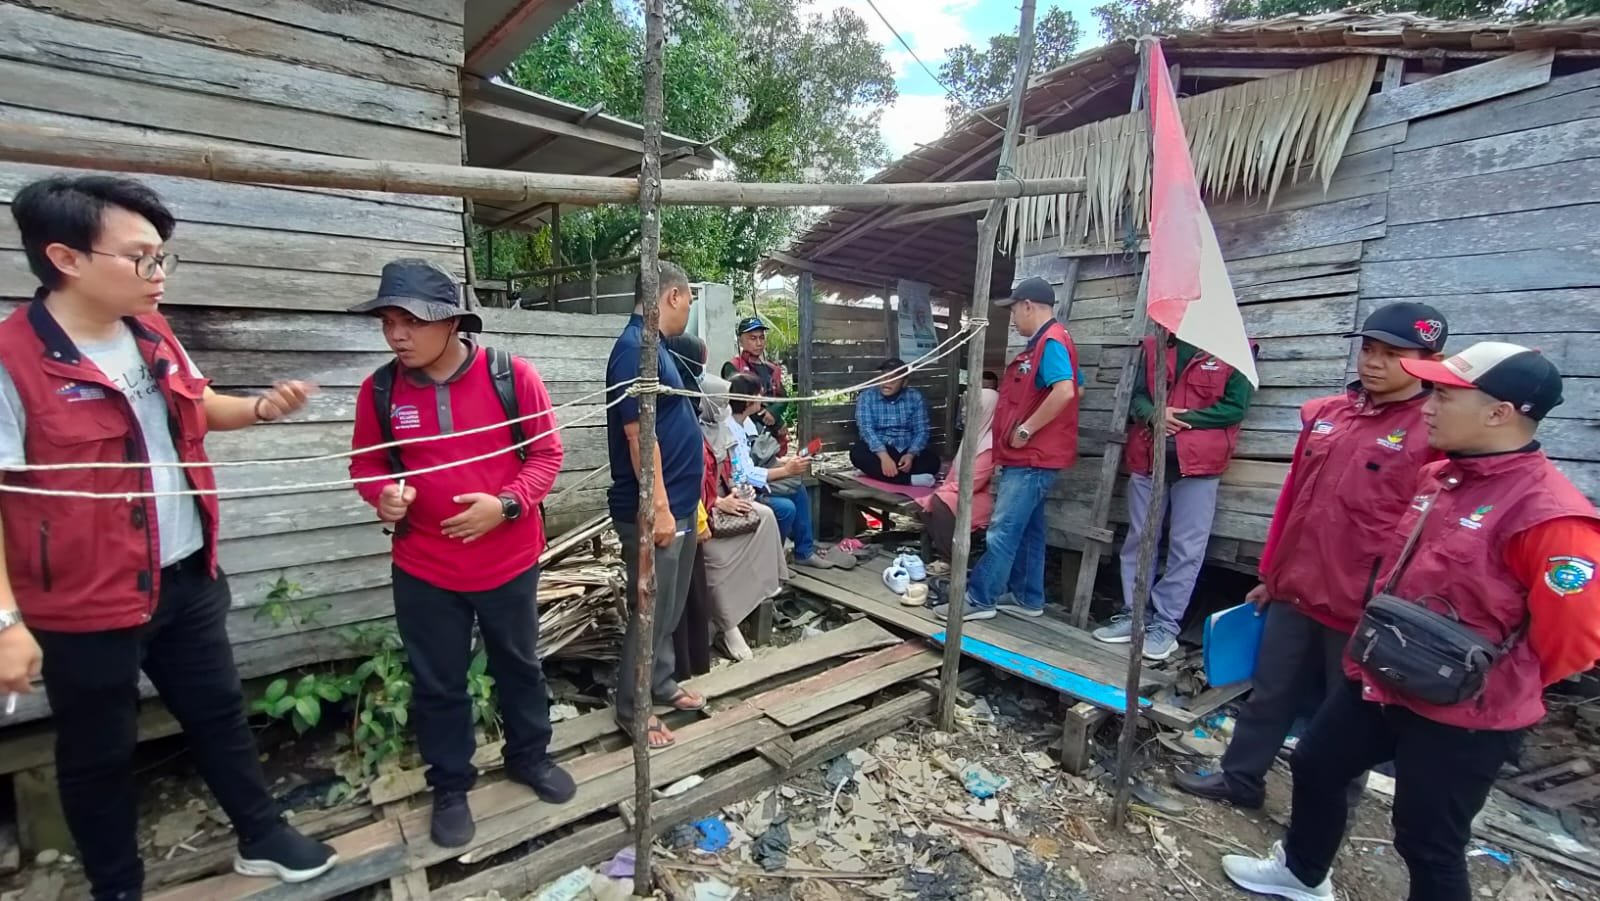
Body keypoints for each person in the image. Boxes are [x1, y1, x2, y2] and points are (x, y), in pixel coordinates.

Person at [0, 175, 336, 898]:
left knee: (219, 712)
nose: (158, 275)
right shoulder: (12, 360)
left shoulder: (152, 332)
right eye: (142, 258)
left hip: (183, 574)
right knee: (97, 751)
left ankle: (261, 833)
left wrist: (259, 409)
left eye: (162, 259)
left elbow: (197, 405)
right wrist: (7, 622)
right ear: (66, 258)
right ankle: (116, 884)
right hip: (84, 603)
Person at [1223, 342, 1600, 901]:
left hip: (1468, 710)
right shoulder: (1441, 478)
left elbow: (1573, 641)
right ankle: (1302, 873)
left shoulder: (1550, 517)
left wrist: (1492, 683)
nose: (1428, 405)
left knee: (1427, 841)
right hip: (1382, 674)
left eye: (1445, 395)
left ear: (1500, 412)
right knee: (1317, 762)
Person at [1173, 303, 1449, 810]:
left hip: (1362, 608)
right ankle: (1241, 778)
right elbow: (1293, 501)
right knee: (1267, 693)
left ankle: (1321, 820)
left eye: (1393, 354)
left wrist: (1398, 609)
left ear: (1432, 361)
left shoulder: (1434, 434)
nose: (1374, 362)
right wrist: (1269, 573)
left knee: (1344, 719)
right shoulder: (1329, 416)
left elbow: (1432, 537)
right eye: (1369, 349)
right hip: (1295, 590)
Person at [347, 259, 573, 848]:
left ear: (450, 321)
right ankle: (450, 785)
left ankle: (530, 758)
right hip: (424, 568)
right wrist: (383, 497)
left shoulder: (510, 376)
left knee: (519, 666)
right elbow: (367, 464)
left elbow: (546, 455)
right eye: (388, 321)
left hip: (507, 563)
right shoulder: (379, 391)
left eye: (411, 321)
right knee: (437, 682)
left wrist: (507, 505)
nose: (397, 335)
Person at [1093, 335, 1255, 660]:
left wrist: (1179, 420)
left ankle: (1165, 626)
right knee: (1140, 538)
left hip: (1199, 465)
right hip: (1148, 457)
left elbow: (1235, 408)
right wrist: (1155, 414)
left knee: (1186, 547)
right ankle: (1134, 615)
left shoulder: (1234, 346)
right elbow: (1138, 396)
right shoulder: (1154, 345)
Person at [932, 277, 1081, 622]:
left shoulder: (1052, 342)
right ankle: (1029, 598)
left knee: (1002, 528)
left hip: (1033, 457)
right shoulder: (1045, 343)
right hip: (1032, 456)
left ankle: (979, 599)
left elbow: (1066, 392)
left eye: (1014, 310)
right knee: (1029, 529)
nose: (1012, 318)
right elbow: (1076, 390)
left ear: (1028, 305)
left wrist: (1028, 428)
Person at [606, 262, 705, 750]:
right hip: (654, 510)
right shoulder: (633, 352)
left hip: (682, 504)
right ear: (671, 297)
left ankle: (660, 682)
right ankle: (632, 708)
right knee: (649, 608)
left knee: (669, 605)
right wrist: (660, 510)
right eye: (688, 300)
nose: (688, 308)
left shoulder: (658, 349)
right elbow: (637, 438)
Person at [667, 334, 786, 662]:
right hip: (695, 515)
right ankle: (728, 625)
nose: (722, 408)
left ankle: (766, 585)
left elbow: (725, 475)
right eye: (718, 402)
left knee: (765, 515)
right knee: (715, 561)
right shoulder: (685, 427)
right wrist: (719, 502)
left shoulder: (717, 427)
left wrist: (731, 492)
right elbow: (687, 484)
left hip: (714, 504)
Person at [726, 372, 843, 571]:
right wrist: (786, 470)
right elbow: (745, 474)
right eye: (758, 395)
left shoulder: (746, 422)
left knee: (798, 489)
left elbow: (756, 458)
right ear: (747, 401)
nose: (762, 399)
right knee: (785, 508)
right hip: (741, 489)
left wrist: (782, 462)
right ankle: (771, 563)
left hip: (756, 481)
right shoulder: (729, 428)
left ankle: (804, 552)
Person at [919, 387, 999, 559]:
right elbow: (954, 475)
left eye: (970, 406)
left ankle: (951, 558)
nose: (963, 410)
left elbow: (972, 484)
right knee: (927, 503)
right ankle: (946, 549)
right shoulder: (973, 437)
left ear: (986, 410)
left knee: (940, 502)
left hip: (985, 498)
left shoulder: (989, 444)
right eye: (964, 405)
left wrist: (940, 494)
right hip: (964, 492)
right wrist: (939, 491)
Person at [849, 357, 940, 487]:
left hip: (905, 451)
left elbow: (922, 430)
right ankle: (909, 480)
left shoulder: (915, 397)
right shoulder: (867, 397)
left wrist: (910, 455)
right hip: (880, 451)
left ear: (904, 382)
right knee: (857, 453)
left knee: (933, 462)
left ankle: (874, 473)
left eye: (894, 378)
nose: (887, 382)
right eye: (884, 377)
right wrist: (884, 457)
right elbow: (866, 430)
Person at [721, 316, 789, 455]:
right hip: (745, 431)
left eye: (761, 338)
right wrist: (777, 423)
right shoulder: (733, 367)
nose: (759, 343)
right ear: (741, 340)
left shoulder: (771, 368)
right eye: (753, 338)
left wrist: (775, 413)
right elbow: (740, 402)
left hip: (772, 434)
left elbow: (783, 398)